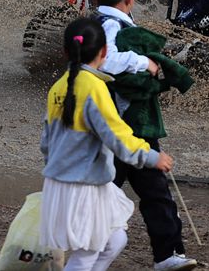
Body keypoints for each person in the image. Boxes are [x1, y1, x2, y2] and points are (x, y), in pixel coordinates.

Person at [40, 17, 174, 271]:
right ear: (104, 51)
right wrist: (150, 156)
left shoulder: (58, 87)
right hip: (82, 186)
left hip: (62, 183)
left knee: (115, 240)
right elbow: (116, 135)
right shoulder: (95, 88)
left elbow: (46, 142)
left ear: (65, 52)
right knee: (88, 253)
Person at [91, 0, 198, 271]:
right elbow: (106, 61)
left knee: (131, 190)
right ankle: (166, 254)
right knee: (152, 192)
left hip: (111, 125)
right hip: (129, 123)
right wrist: (144, 63)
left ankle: (167, 254)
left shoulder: (94, 23)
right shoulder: (112, 26)